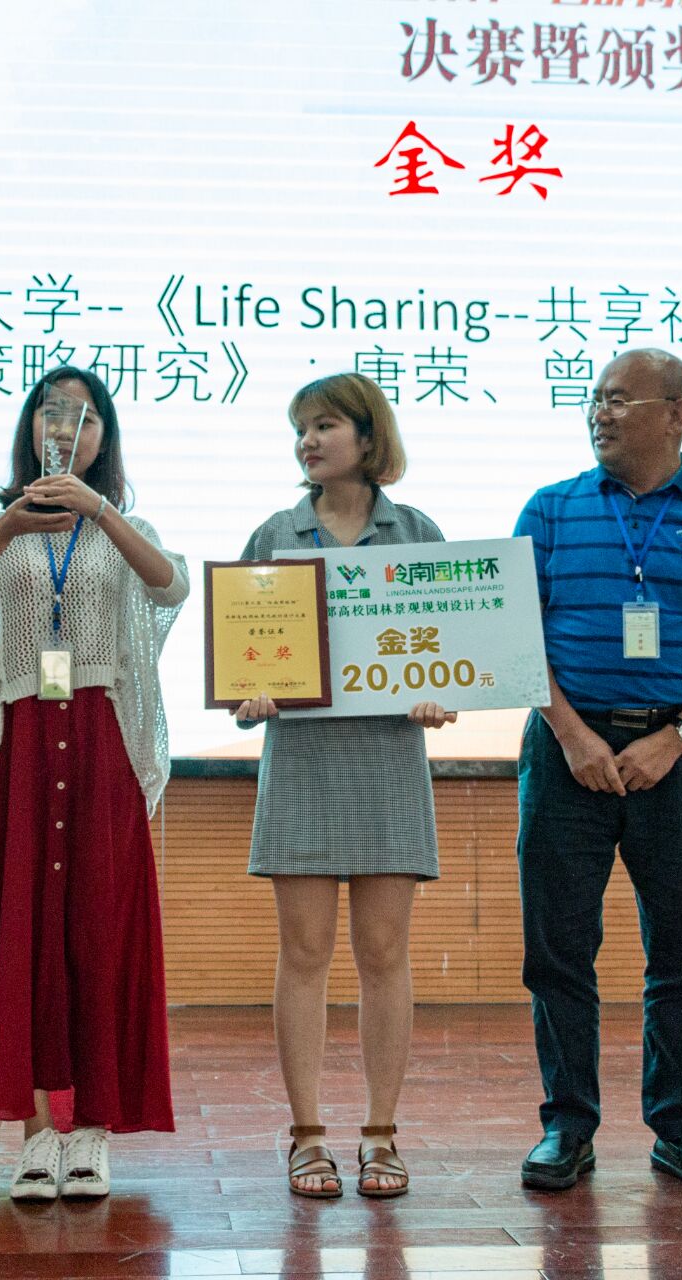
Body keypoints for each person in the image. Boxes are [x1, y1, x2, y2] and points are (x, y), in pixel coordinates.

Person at [0, 366, 189, 1202]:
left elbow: (172, 586)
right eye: (50, 411)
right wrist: (6, 528)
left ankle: (94, 1131)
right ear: (29, 428)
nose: (66, 426)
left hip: (103, 738)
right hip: (20, 741)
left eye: (85, 415)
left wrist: (99, 509)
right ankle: (38, 1133)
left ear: (105, 437)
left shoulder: (121, 524)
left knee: (102, 931)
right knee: (23, 930)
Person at [511, 348, 682, 1197]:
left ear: (676, 413)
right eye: (596, 399)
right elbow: (517, 639)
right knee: (558, 952)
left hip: (679, 759)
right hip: (565, 754)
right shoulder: (550, 510)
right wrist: (573, 735)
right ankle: (567, 1126)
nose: (600, 412)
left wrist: (677, 737)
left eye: (621, 399)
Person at [234, 372, 456, 1200]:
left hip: (388, 759)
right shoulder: (276, 534)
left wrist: (441, 690)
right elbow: (243, 659)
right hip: (302, 759)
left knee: (385, 954)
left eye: (324, 425)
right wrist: (250, 696)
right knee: (303, 953)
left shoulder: (417, 533)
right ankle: (306, 1137)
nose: (308, 441)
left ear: (369, 437)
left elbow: (451, 649)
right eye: (301, 429)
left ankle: (380, 1134)